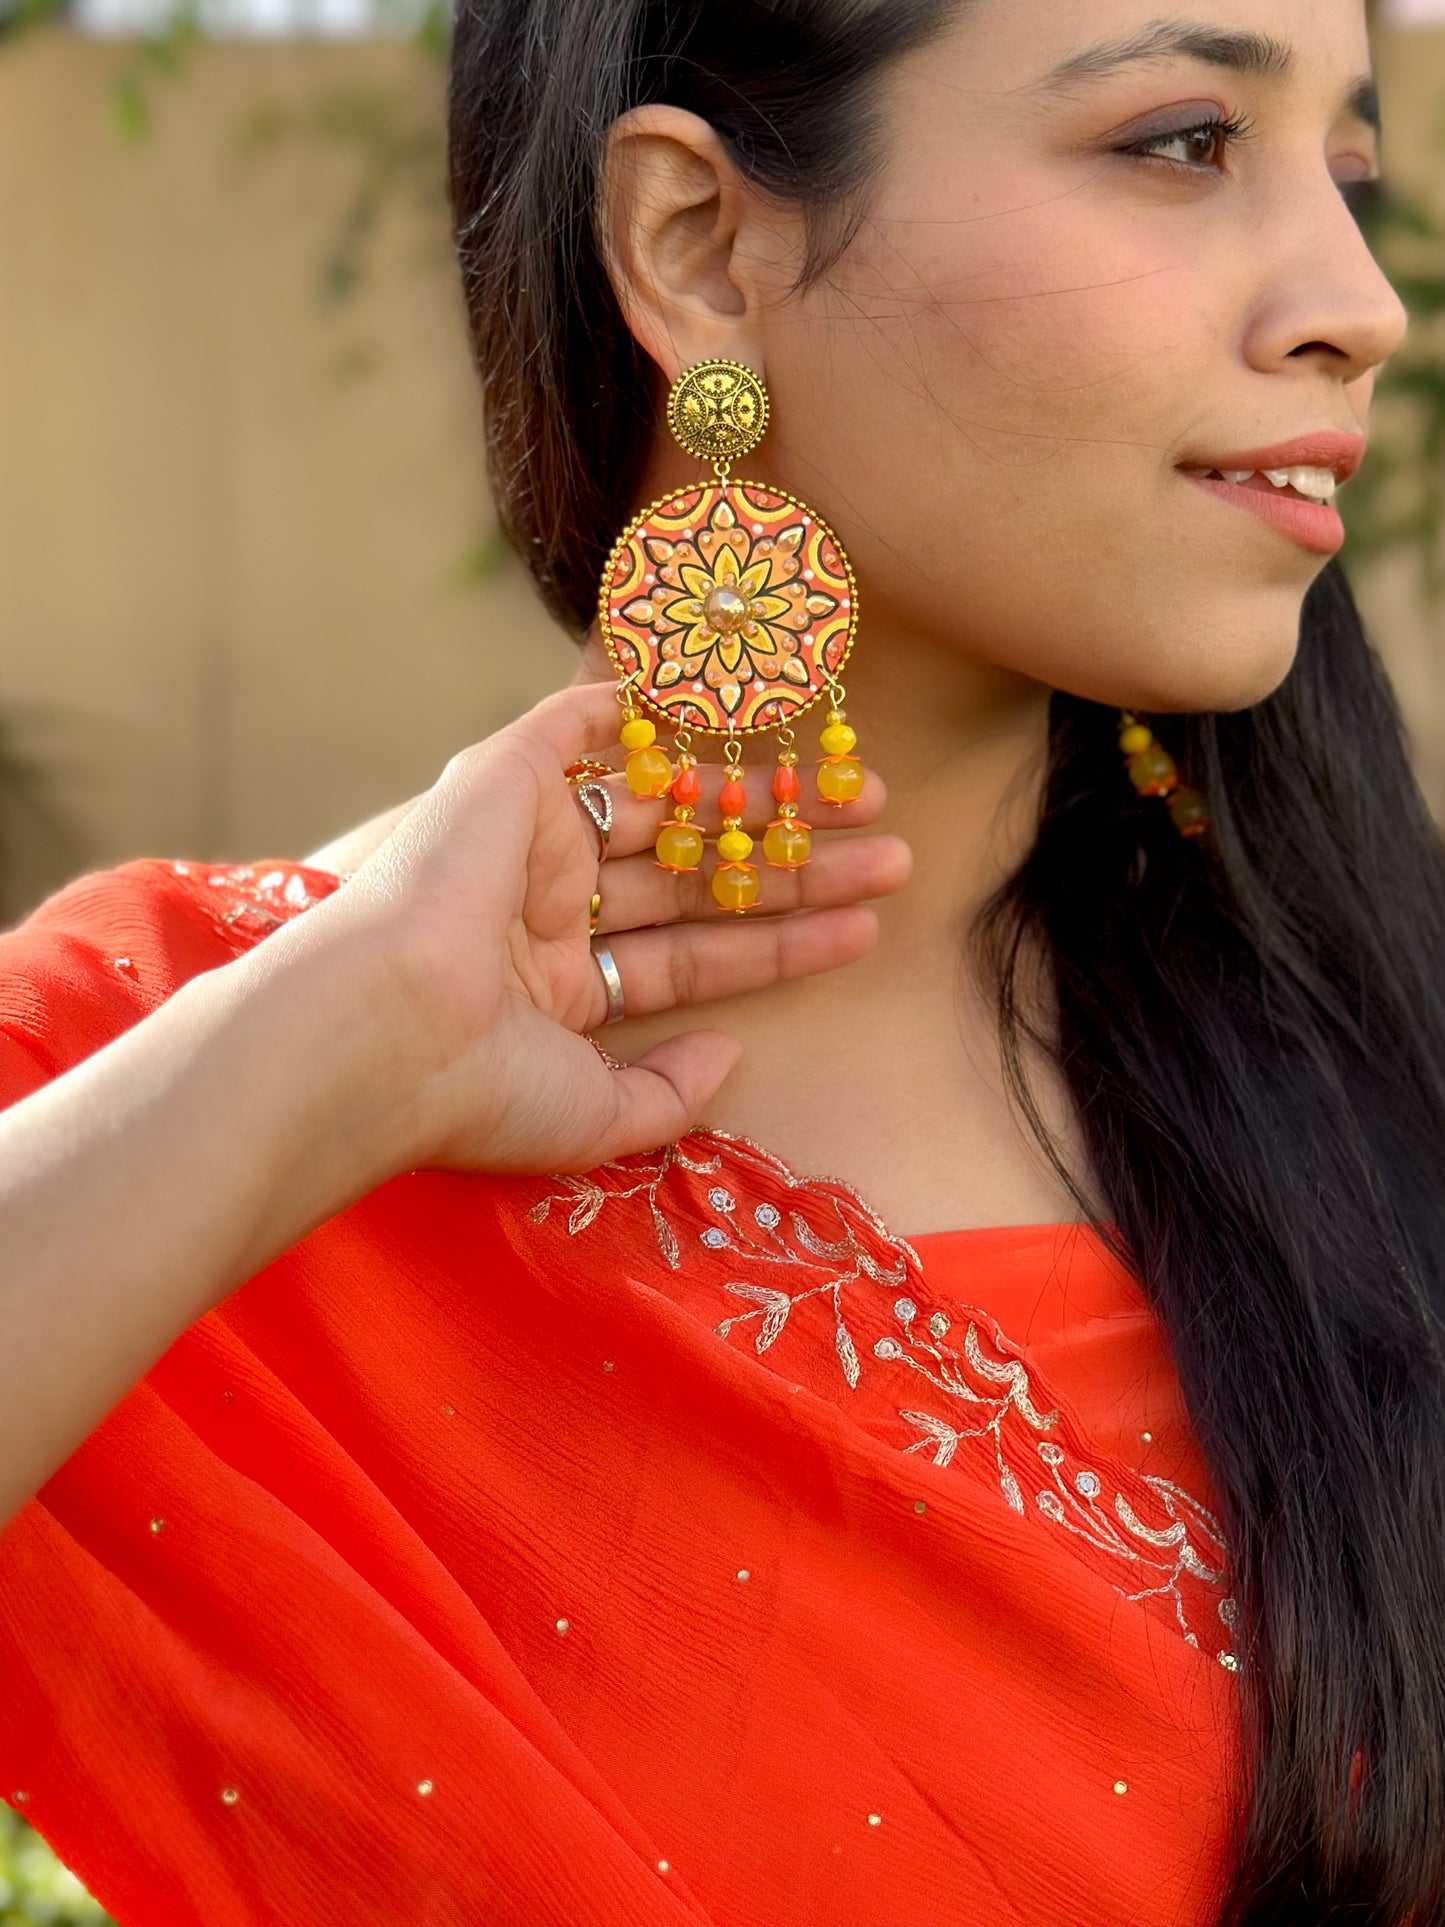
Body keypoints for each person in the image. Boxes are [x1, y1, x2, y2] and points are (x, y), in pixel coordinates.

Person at [1, 0, 1441, 1921]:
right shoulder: (174, 1061)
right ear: (699, 245)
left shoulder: (1383, 1071)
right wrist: (327, 1052)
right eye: (1183, 143)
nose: (1358, 304)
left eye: (1347, 176)